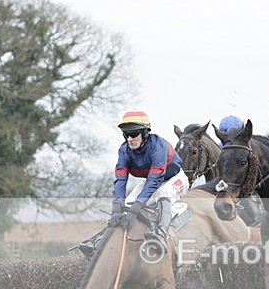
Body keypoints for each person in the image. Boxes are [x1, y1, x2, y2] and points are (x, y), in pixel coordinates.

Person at [79, 109, 188, 257]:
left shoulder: (158, 146)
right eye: (126, 134)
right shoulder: (124, 150)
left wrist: (136, 209)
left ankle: (161, 236)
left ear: (145, 133)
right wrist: (116, 208)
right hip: (150, 180)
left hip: (174, 179)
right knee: (128, 203)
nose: (130, 138)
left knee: (161, 193)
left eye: (134, 134)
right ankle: (100, 241)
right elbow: (121, 180)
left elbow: (155, 180)